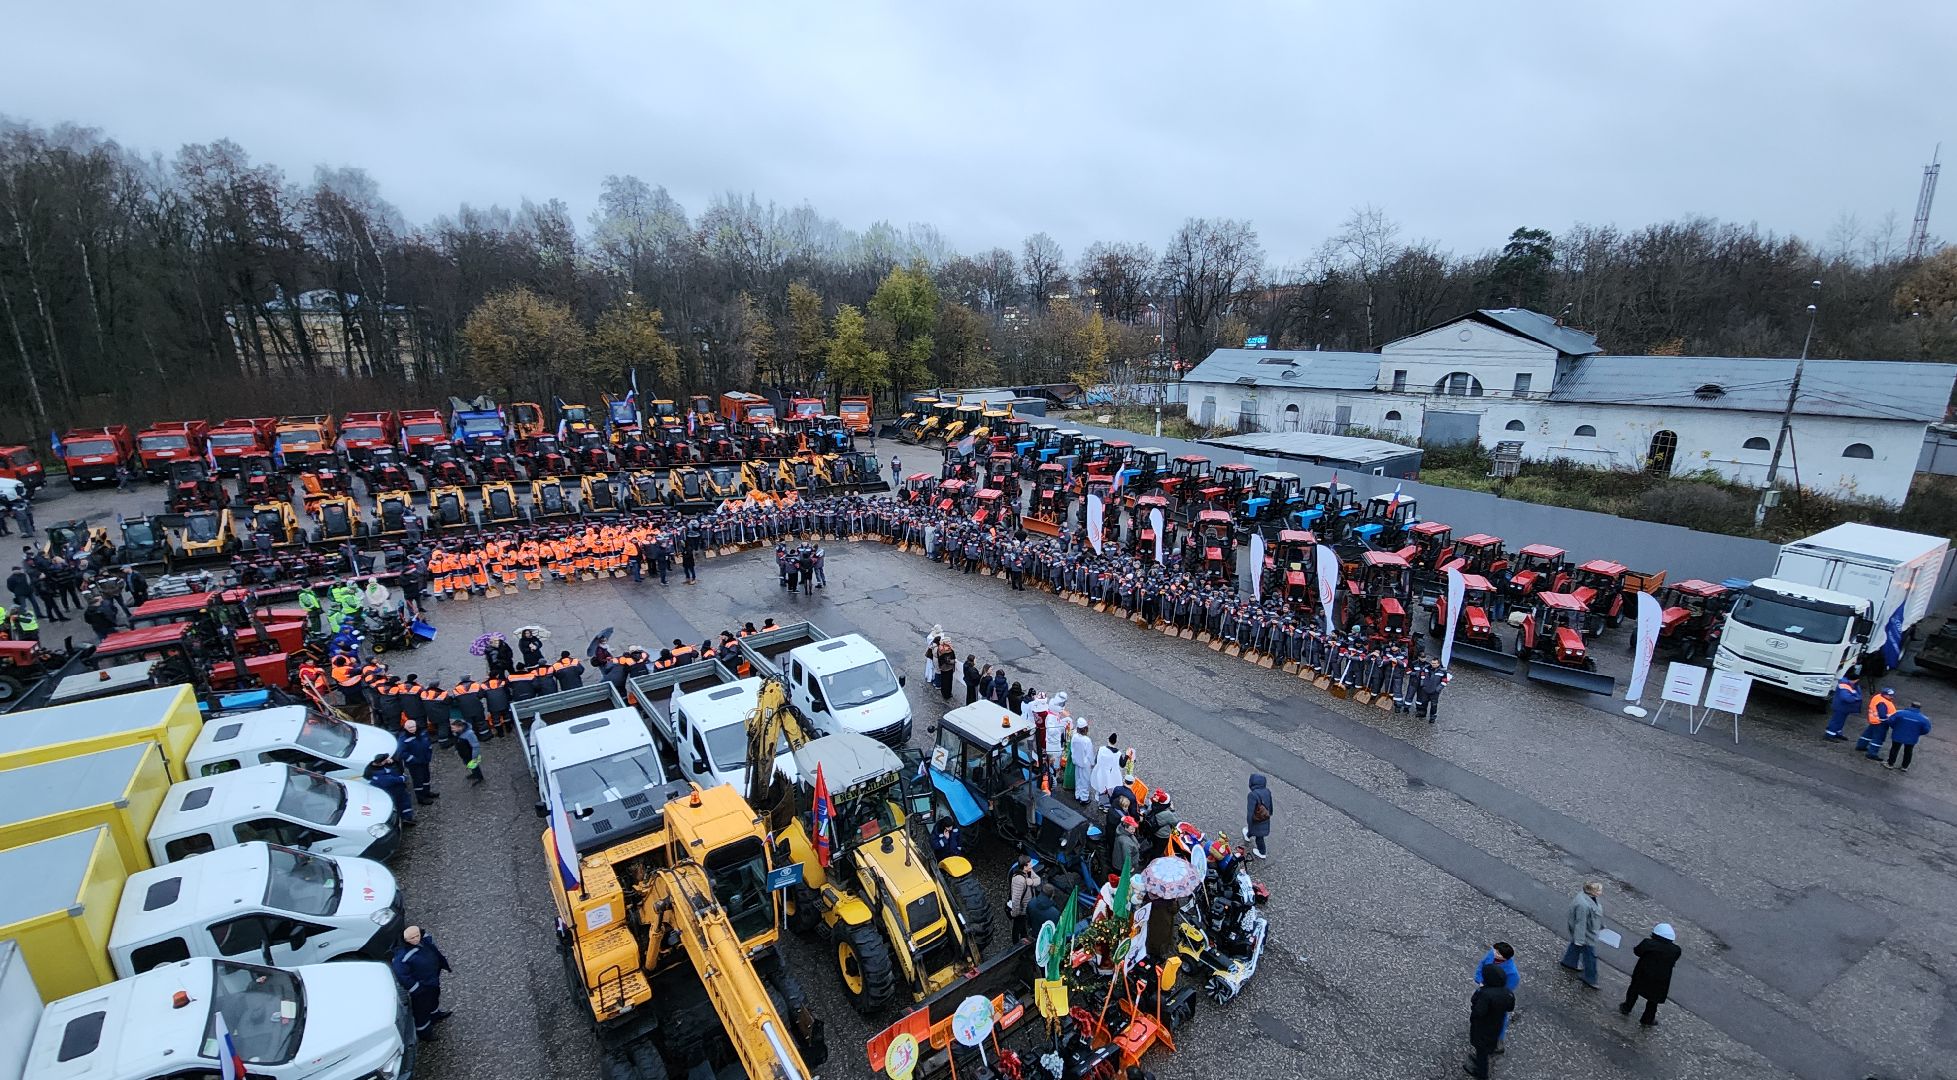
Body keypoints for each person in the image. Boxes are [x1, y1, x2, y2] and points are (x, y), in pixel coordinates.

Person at [389, 926, 453, 1042]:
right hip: (421, 986)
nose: (415, 939)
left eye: (417, 935)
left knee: (434, 999)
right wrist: (416, 988)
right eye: (412, 938)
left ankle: (434, 1016)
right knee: (421, 1011)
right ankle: (424, 1033)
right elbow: (403, 976)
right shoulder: (402, 957)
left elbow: (434, 952)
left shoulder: (425, 939)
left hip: (432, 980)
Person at [1620, 923, 1680, 1027]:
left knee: (1633, 991)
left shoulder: (1648, 944)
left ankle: (1627, 1007)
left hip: (1642, 974)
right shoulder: (1676, 950)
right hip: (1661, 979)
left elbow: (1637, 951)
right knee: (1653, 1001)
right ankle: (1647, 1019)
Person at [1465, 961, 1516, 1078]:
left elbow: (1478, 1011)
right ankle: (1482, 1057)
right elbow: (1510, 1007)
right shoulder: (1507, 992)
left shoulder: (1485, 994)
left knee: (1481, 1050)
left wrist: (1479, 992)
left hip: (1483, 1027)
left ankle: (1481, 1073)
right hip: (1496, 1024)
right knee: (1488, 1045)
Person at [1475, 943, 1519, 1053]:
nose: (1494, 953)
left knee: (1499, 1019)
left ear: (1504, 957)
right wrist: (1479, 980)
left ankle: (1498, 1041)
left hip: (1495, 997)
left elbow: (1506, 990)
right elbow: (1482, 966)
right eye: (1495, 950)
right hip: (1485, 990)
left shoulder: (1512, 973)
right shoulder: (1492, 955)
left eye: (1497, 953)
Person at [1561, 882, 1605, 989]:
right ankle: (1590, 978)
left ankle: (1569, 961)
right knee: (1590, 957)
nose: (1601, 892)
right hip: (1586, 934)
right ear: (1592, 892)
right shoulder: (1583, 905)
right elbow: (1580, 924)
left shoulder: (1586, 897)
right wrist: (1580, 940)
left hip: (1586, 931)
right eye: (1598, 890)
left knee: (1575, 947)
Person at [363, 754, 414, 827]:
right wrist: (403, 778)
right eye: (385, 759)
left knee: (402, 804)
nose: (388, 759)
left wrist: (392, 763)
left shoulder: (373, 768)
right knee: (401, 805)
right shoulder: (379, 775)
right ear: (382, 762)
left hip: (394, 791)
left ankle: (406, 819)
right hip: (393, 792)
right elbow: (391, 780)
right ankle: (404, 820)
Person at [396, 719, 436, 805]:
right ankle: (421, 798)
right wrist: (413, 759)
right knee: (418, 780)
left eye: (413, 726)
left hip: (425, 760)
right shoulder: (403, 738)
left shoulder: (423, 732)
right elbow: (401, 752)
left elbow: (428, 743)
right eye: (409, 727)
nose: (412, 729)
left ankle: (427, 792)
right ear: (405, 728)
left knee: (426, 778)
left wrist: (429, 754)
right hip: (415, 765)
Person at [1885, 701, 1932, 772]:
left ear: (1911, 706)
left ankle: (1890, 764)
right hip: (1912, 738)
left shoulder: (1900, 713)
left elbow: (1890, 721)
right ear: (1920, 708)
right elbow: (1926, 730)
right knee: (1908, 751)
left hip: (1898, 735)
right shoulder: (1924, 719)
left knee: (1894, 749)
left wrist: (1895, 728)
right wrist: (1917, 733)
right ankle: (1904, 767)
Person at [1855, 686, 1899, 758]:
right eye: (1890, 695)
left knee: (1867, 734)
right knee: (1878, 739)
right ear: (1884, 694)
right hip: (1881, 723)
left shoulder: (1878, 697)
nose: (1892, 697)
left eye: (1892, 695)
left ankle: (1861, 746)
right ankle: (1872, 754)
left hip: (1874, 721)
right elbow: (1882, 716)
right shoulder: (1882, 703)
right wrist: (1889, 722)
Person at [1007, 856, 1041, 942]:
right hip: (1021, 909)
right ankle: (1015, 943)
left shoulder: (1029, 871)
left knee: (1022, 923)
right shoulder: (1018, 880)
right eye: (1030, 864)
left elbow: (1038, 880)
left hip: (1028, 906)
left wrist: (1032, 882)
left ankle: (1024, 935)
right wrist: (1015, 913)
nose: (1032, 866)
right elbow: (1016, 899)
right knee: (1017, 926)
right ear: (1025, 866)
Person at [1244, 774, 1273, 859]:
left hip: (1256, 819)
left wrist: (1249, 822)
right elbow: (1270, 806)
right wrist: (1268, 814)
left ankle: (1262, 852)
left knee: (1259, 837)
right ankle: (1248, 835)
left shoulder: (1252, 795)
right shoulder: (1267, 791)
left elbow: (1250, 812)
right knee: (1257, 832)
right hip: (1265, 817)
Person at [1091, 733, 1125, 805]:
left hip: (1102, 772)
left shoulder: (1101, 749)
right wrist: (1127, 756)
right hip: (1112, 774)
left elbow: (1096, 761)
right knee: (1110, 789)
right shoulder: (1118, 753)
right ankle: (1106, 805)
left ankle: (1100, 803)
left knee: (1101, 786)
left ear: (1108, 740)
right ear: (1115, 742)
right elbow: (1122, 765)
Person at [449, 719, 484, 784]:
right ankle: (474, 774)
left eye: (453, 728)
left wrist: (475, 757)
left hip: (471, 754)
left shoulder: (469, 734)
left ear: (460, 727)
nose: (452, 729)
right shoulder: (457, 733)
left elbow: (475, 746)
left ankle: (479, 777)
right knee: (469, 764)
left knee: (475, 766)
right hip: (464, 754)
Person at [1070, 719, 1094, 803]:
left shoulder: (1075, 737)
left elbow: (1072, 749)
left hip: (1077, 761)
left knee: (1078, 779)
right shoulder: (1087, 740)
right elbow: (1090, 753)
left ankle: (1077, 794)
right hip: (1085, 763)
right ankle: (1084, 798)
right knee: (1085, 780)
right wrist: (1092, 763)